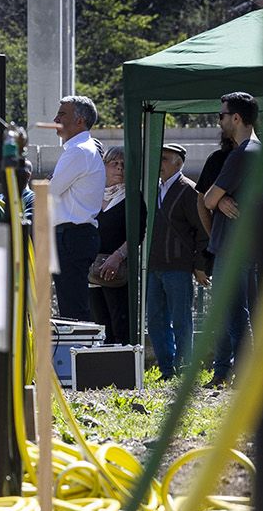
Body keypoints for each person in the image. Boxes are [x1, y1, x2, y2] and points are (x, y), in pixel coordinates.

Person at [202, 91, 263, 388]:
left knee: (236, 313)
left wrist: (218, 200)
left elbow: (209, 199)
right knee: (239, 310)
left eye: (221, 115)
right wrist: (222, 200)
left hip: (232, 248)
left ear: (236, 118)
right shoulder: (262, 154)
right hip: (247, 246)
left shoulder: (241, 154)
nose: (219, 121)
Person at [145, 143, 207, 377]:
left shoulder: (189, 190)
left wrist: (200, 266)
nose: (159, 163)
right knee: (156, 322)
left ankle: (185, 369)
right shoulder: (153, 188)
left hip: (179, 268)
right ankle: (166, 369)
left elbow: (202, 232)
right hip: (154, 267)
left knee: (182, 322)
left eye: (164, 159)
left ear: (178, 163)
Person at [48, 95, 105, 324]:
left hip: (72, 236)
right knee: (72, 306)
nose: (55, 118)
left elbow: (50, 192)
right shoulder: (82, 149)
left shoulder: (78, 151)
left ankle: (79, 354)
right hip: (73, 236)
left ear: (80, 120)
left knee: (73, 311)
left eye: (62, 114)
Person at [88, 148, 139, 345]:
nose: (119, 168)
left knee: (119, 323)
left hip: (118, 269)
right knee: (98, 323)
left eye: (124, 165)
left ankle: (123, 370)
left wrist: (117, 257)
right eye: (114, 163)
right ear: (104, 166)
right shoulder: (92, 194)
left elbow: (137, 234)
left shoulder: (133, 198)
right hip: (92, 269)